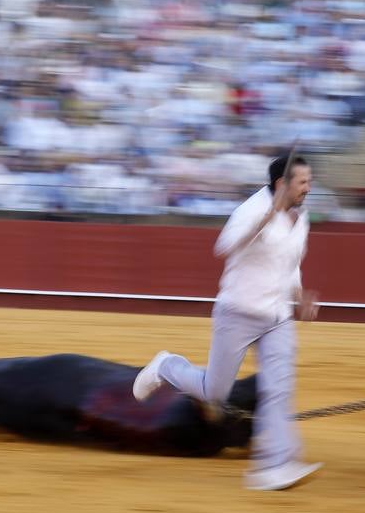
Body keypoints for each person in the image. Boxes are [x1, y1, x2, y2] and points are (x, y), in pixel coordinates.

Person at [133, 155, 322, 491]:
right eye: (303, 182)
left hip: (277, 317)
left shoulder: (301, 216)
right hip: (239, 312)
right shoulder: (251, 210)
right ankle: (166, 366)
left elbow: (291, 261)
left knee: (279, 388)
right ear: (281, 185)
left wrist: (299, 293)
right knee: (214, 392)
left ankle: (274, 465)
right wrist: (263, 221)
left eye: (309, 181)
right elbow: (224, 247)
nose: (309, 187)